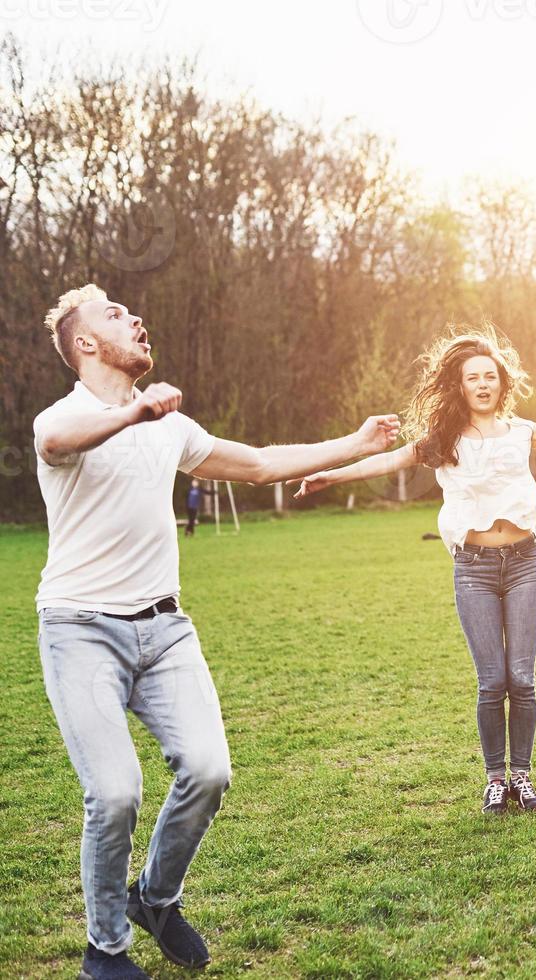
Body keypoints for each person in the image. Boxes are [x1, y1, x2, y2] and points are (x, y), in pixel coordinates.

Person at [34, 284, 401, 980]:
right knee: (113, 795)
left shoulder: (172, 429)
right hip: (80, 631)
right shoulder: (65, 417)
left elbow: (260, 464)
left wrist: (351, 443)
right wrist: (135, 410)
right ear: (84, 344)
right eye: (114, 315)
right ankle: (103, 952)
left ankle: (156, 898)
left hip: (165, 632)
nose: (135, 317)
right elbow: (55, 442)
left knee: (209, 771)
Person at [294, 328, 536, 815]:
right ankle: (495, 779)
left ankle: (522, 776)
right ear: (458, 386)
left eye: (490, 376)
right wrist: (330, 475)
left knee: (522, 678)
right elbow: (387, 461)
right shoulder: (443, 440)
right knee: (491, 680)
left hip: (524, 565)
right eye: (472, 377)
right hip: (474, 570)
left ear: (503, 383)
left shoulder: (522, 432)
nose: (482, 384)